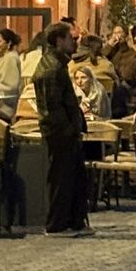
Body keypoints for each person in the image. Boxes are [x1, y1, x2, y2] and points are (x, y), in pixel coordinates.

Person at [33, 21, 91, 236]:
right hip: (59, 134)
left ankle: (74, 220)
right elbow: (52, 106)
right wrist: (67, 128)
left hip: (67, 131)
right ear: (58, 41)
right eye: (70, 39)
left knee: (73, 177)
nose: (74, 43)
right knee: (60, 178)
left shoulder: (58, 65)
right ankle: (57, 223)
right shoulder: (50, 68)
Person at [0, 28, 22, 117]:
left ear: (8, 43)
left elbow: (10, 86)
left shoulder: (10, 58)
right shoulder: (3, 59)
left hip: (6, 108)